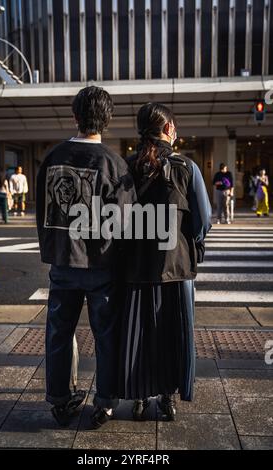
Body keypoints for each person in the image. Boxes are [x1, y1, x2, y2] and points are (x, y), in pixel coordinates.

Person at [36, 86, 136, 428]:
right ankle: (105, 402)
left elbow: (42, 210)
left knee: (58, 332)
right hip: (101, 265)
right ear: (107, 121)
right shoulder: (113, 163)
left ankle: (60, 400)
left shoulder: (52, 157)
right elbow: (125, 222)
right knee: (106, 333)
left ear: (75, 116)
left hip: (63, 262)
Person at [118, 103, 212, 421]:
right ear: (169, 129)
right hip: (176, 268)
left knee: (139, 332)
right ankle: (168, 397)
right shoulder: (186, 166)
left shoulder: (126, 167)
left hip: (134, 269)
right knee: (174, 332)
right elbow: (203, 220)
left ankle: (140, 397)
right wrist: (194, 242)